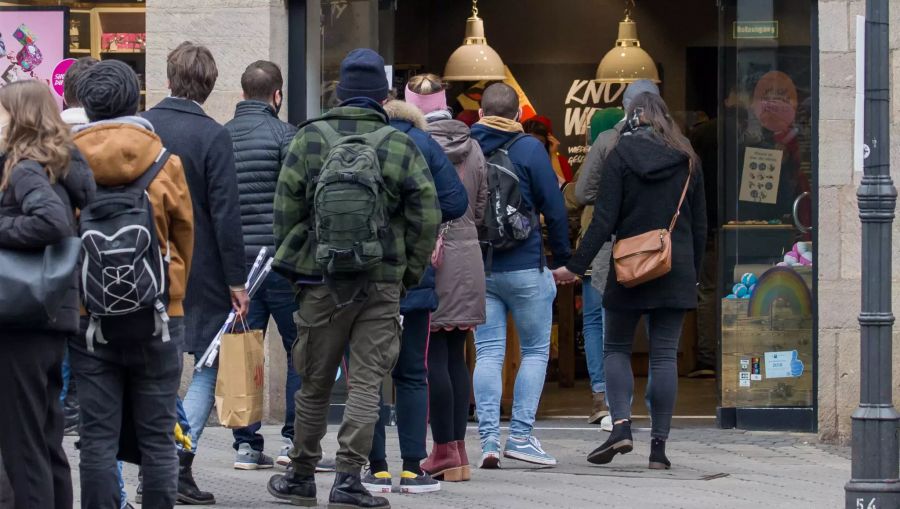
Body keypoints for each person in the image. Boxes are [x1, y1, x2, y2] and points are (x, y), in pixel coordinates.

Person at [267, 48, 440, 509]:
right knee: (367, 384)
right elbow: (428, 215)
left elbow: (284, 212)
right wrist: (406, 275)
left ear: (338, 93)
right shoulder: (400, 143)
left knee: (315, 382)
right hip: (380, 281)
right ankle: (348, 480)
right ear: (383, 97)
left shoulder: (308, 140)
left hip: (319, 282)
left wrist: (301, 268)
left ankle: (302, 476)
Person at [553, 92, 707, 470]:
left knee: (617, 348)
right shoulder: (688, 159)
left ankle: (620, 425)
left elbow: (603, 221)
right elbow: (701, 224)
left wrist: (575, 266)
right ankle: (659, 449)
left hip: (629, 269)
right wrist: (694, 272)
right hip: (676, 268)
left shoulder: (619, 154)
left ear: (632, 117)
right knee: (664, 354)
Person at [71, 59, 194, 509]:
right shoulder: (165, 162)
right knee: (159, 437)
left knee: (97, 438)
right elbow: (185, 236)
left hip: (89, 318)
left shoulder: (65, 163)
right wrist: (173, 292)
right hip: (160, 314)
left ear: (86, 106)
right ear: (135, 100)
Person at [142, 41, 249, 505]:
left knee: (155, 369)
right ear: (209, 86)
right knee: (208, 362)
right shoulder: (213, 136)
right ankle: (178, 462)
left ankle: (155, 462)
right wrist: (237, 280)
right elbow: (226, 214)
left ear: (168, 78)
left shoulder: (143, 125)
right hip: (200, 266)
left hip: (138, 262)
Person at [362, 82, 468, 495]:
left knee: (366, 375)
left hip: (359, 275)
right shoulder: (421, 143)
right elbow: (456, 202)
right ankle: (411, 467)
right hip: (411, 276)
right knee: (412, 372)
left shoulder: (351, 137)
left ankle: (373, 468)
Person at [0, 79, 95, 509]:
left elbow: (51, 222)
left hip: (21, 318)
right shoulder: (56, 163)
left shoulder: (22, 168)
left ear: (19, 116)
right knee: (45, 434)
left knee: (22, 443)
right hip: (49, 313)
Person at [470, 82, 571, 468]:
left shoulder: (469, 147)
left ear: (481, 115)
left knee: (489, 352)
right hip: (527, 266)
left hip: (482, 267)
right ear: (518, 116)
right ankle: (523, 438)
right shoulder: (529, 147)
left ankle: (490, 442)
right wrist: (562, 258)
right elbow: (556, 208)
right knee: (534, 351)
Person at [223, 60, 305, 471]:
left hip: (239, 271)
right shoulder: (287, 135)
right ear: (278, 95)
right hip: (283, 265)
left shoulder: (222, 138)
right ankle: (293, 441)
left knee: (243, 353)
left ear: (241, 94)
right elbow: (299, 203)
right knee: (297, 352)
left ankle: (246, 445)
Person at [408, 74, 487, 482]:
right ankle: (457, 451)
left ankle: (441, 452)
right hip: (468, 252)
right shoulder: (473, 145)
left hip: (433, 254)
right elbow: (482, 204)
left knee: (432, 355)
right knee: (456, 355)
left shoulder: (417, 144)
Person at [574, 82, 659, 427]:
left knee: (602, 322)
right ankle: (656, 406)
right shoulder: (674, 143)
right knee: (658, 329)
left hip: (608, 242)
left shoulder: (609, 140)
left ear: (625, 105)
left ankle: (606, 400)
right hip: (655, 246)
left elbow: (582, 192)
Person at [522, 115, 572, 184]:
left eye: (540, 142)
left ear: (548, 142)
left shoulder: (560, 162)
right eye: (531, 141)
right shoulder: (519, 160)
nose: (534, 146)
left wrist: (554, 156)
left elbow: (565, 191)